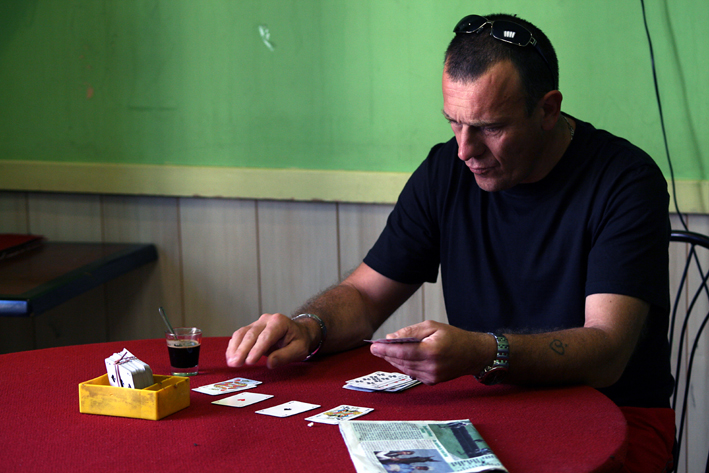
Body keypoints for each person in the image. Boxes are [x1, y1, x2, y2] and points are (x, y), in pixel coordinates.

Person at [226, 13, 675, 472]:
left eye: (489, 127)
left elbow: (607, 352)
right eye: (454, 123)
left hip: (617, 418)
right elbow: (364, 296)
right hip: (485, 410)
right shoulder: (447, 170)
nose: (465, 149)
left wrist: (483, 352)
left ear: (547, 109)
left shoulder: (626, 181)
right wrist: (309, 326)